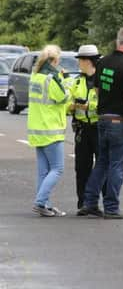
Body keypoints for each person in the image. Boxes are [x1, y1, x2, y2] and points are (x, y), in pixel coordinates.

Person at [78, 28, 123, 219]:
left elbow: (98, 91)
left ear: (117, 42)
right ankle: (111, 207)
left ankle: (90, 202)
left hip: (102, 119)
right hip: (119, 121)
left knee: (101, 162)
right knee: (117, 165)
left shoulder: (103, 63)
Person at [28, 45, 69, 217]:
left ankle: (45, 204)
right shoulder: (51, 79)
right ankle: (40, 202)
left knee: (43, 172)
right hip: (51, 130)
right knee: (57, 169)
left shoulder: (35, 77)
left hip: (37, 131)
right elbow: (64, 97)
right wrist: (64, 79)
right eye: (58, 60)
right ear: (54, 60)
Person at [68, 45, 106, 212]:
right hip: (82, 129)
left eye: (81, 59)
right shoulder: (77, 81)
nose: (78, 63)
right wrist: (74, 106)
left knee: (103, 166)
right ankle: (83, 204)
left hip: (99, 128)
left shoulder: (102, 81)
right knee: (82, 167)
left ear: (88, 61)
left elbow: (103, 103)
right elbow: (67, 103)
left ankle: (107, 203)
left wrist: (87, 106)